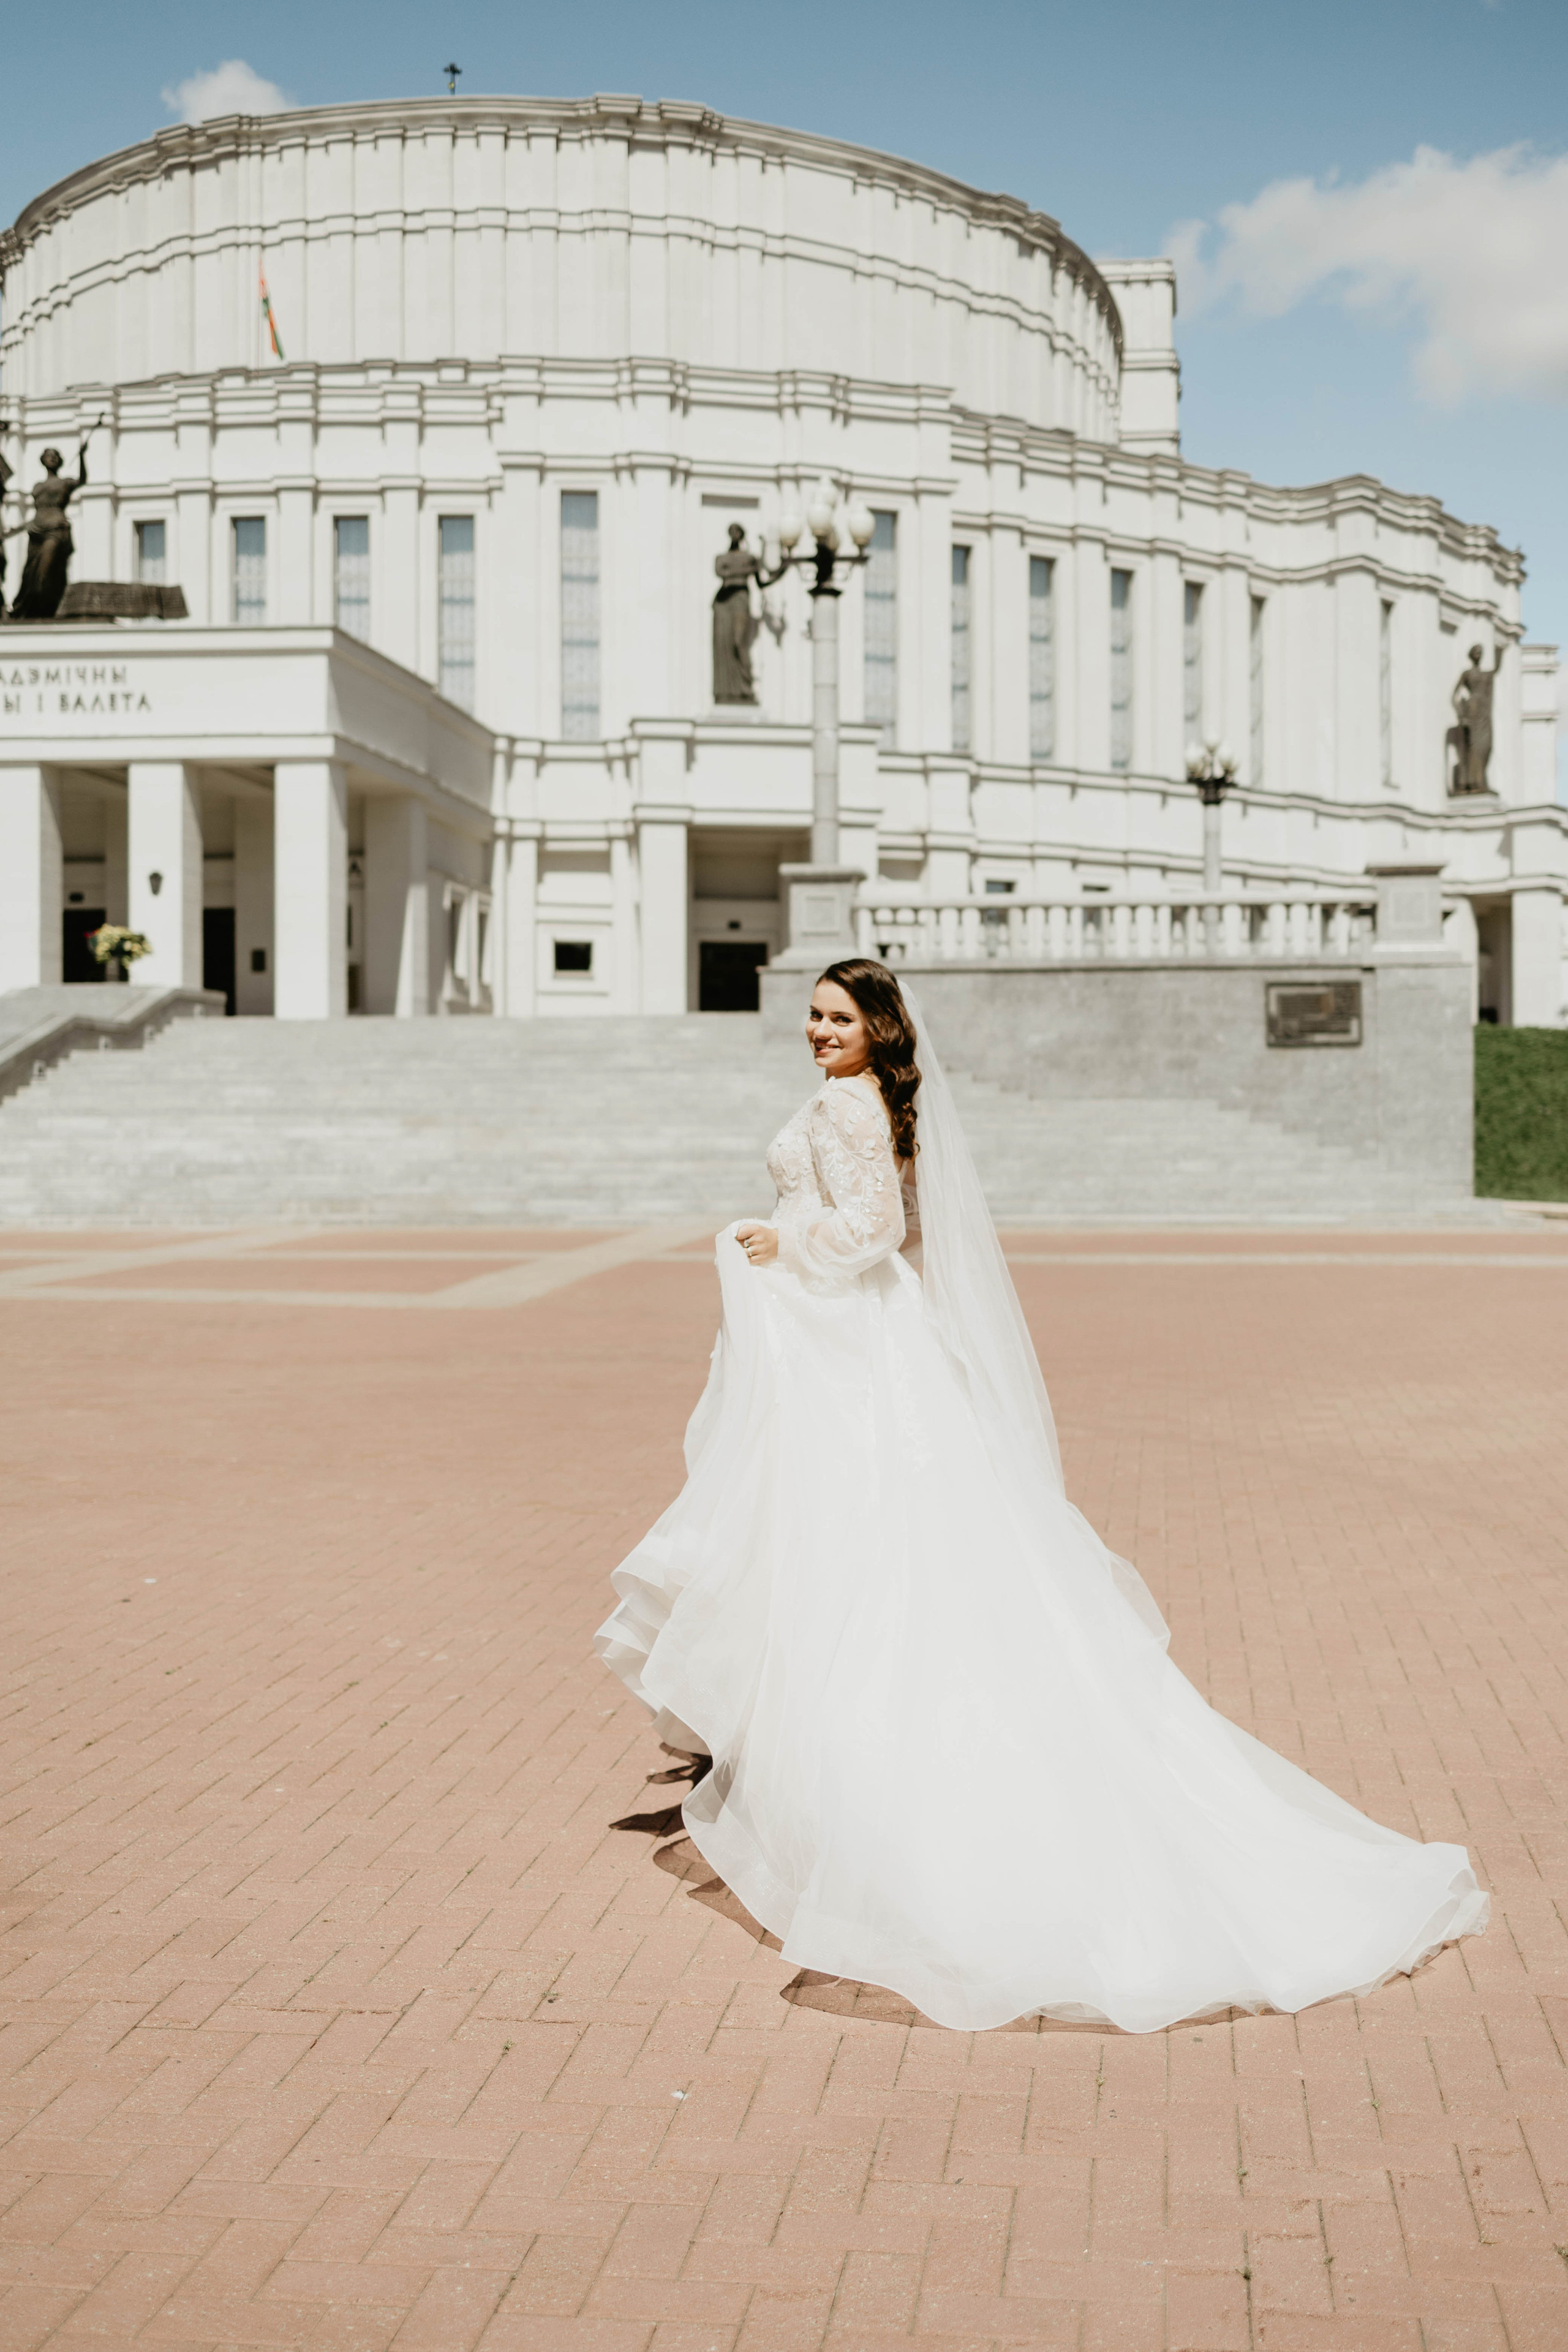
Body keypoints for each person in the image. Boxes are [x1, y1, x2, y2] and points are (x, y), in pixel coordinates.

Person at [597, 959, 1487, 2032]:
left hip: (852, 1350)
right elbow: (902, 1228)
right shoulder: (874, 1101)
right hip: (864, 1341)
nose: (818, 1031)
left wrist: (784, 1240)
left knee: (847, 1547)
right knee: (874, 1547)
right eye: (815, 1014)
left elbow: (874, 1230)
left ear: (880, 1031)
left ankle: (850, 1790)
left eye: (840, 1017)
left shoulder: (847, 1105)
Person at [6, 436, 92, 620]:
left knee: (46, 571)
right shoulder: (37, 486)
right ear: (43, 461)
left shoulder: (65, 483)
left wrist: (83, 456)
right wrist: (15, 529)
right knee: (29, 574)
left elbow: (83, 480)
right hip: (36, 531)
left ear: (59, 461)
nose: (51, 458)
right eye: (48, 455)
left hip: (56, 530)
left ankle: (49, 607)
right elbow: (37, 513)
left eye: (55, 456)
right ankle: (28, 611)